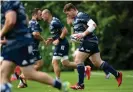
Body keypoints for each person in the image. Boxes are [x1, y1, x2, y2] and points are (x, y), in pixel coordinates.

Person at [0, 1, 69, 92]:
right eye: (40, 14)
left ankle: (60, 85)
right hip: (17, 42)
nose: (41, 16)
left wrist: (2, 34)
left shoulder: (8, 3)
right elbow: (25, 20)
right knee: (6, 72)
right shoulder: (17, 4)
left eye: (42, 14)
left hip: (17, 42)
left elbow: (11, 21)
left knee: (26, 72)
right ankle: (60, 85)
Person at [63, 3, 122, 90]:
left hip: (89, 41)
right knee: (98, 62)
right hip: (91, 41)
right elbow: (79, 33)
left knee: (78, 60)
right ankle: (117, 74)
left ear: (72, 10)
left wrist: (83, 34)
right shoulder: (75, 20)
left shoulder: (81, 15)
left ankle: (80, 84)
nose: (68, 15)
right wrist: (75, 37)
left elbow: (93, 25)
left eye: (68, 13)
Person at [41, 9, 91, 81]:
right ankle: (85, 68)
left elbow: (65, 31)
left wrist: (58, 40)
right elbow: (59, 33)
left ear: (47, 14)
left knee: (54, 61)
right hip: (62, 43)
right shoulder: (53, 21)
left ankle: (58, 81)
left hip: (62, 44)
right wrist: (53, 38)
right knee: (66, 63)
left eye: (42, 16)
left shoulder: (54, 22)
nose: (42, 17)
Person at [17, 8, 45, 88]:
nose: (41, 16)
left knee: (29, 65)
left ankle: (22, 83)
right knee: (39, 64)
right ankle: (23, 76)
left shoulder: (30, 22)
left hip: (27, 46)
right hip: (32, 47)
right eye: (40, 14)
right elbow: (36, 34)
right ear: (35, 15)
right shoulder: (34, 22)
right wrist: (44, 40)